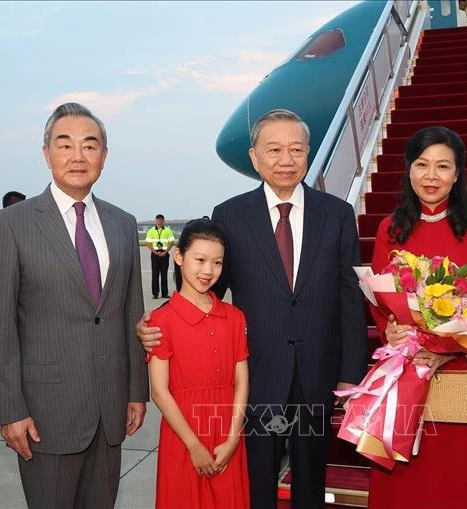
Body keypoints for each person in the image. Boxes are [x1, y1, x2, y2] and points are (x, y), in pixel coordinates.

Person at [138, 108, 368, 509]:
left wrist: (351, 374)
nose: (286, 160)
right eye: (274, 150)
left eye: (296, 149)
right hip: (256, 370)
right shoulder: (230, 215)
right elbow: (209, 288)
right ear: (254, 157)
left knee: (311, 476)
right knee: (256, 477)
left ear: (309, 153)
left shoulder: (337, 214)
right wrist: (158, 323)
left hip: (318, 367)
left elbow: (351, 294)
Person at [0, 102, 149, 509]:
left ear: (104, 157)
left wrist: (135, 392)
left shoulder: (123, 223)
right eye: (65, 144)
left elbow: (130, 313)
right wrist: (9, 410)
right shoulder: (11, 224)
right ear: (46, 154)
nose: (78, 156)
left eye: (90, 146)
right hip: (43, 414)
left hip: (111, 410)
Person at [368, 126, 467, 509]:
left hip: (458, 369)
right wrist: (390, 331)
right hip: (405, 367)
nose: (431, 176)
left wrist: (448, 351)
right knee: (405, 478)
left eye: (443, 166)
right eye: (422, 164)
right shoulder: (390, 229)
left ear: (457, 173)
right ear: (408, 168)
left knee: (454, 480)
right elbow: (379, 300)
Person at [147, 218, 250, 508]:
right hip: (183, 435)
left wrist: (232, 438)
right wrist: (193, 445)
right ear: (178, 257)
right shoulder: (161, 320)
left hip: (228, 433)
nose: (208, 271)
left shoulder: (234, 317)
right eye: (200, 260)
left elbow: (241, 381)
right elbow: (159, 391)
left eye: (217, 263)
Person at [145, 214, 175, 299]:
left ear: (163, 221)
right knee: (155, 274)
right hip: (155, 254)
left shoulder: (168, 230)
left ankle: (164, 293)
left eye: (161, 220)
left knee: (164, 274)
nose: (160, 221)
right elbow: (148, 243)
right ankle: (155, 293)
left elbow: (171, 242)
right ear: (155, 221)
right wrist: (154, 252)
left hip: (164, 254)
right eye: (158, 220)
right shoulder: (151, 231)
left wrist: (165, 251)